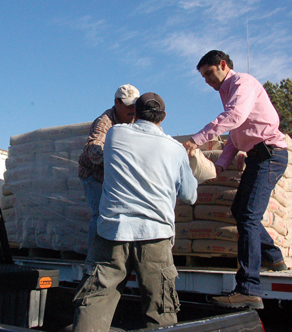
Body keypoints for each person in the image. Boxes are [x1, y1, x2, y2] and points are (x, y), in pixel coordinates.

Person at [73, 93, 198, 332]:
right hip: (155, 234)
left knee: (95, 301)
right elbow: (190, 196)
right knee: (160, 308)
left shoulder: (115, 134)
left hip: (112, 232)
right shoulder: (174, 149)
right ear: (164, 117)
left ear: (135, 113)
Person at [183, 50, 288, 310]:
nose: (207, 80)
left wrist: (197, 139)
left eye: (209, 73)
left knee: (249, 217)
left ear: (223, 65)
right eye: (203, 77)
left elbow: (234, 119)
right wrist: (219, 166)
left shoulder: (243, 83)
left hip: (270, 155)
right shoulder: (228, 93)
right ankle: (273, 257)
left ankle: (249, 289)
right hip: (258, 157)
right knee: (239, 210)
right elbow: (236, 135)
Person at [78, 84, 140, 249]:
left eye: (135, 104)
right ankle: (94, 258)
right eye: (128, 105)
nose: (132, 109)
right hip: (93, 174)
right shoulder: (104, 121)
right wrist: (117, 160)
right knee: (101, 213)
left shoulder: (138, 120)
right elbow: (94, 147)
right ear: (117, 103)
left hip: (114, 177)